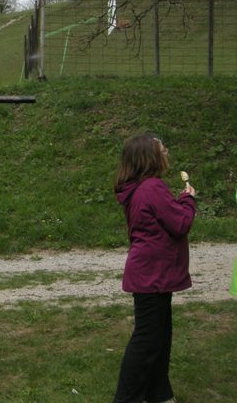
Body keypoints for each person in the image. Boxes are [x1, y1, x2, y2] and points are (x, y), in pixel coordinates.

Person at [112, 133, 196, 403]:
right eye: (162, 149)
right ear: (149, 158)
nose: (166, 152)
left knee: (160, 338)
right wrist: (188, 199)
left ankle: (159, 394)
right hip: (152, 275)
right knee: (147, 341)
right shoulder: (152, 188)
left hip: (153, 274)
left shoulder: (141, 188)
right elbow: (180, 223)